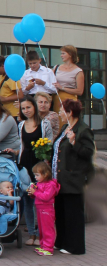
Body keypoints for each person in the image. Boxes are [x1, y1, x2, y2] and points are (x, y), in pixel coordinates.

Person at [3, 97, 53, 246]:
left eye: (28, 107)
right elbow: (22, 146)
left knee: (40, 202)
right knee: (27, 200)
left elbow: (50, 144)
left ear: (35, 107)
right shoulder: (22, 124)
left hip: (39, 167)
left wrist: (46, 156)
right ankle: (31, 234)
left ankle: (40, 234)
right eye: (23, 108)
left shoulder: (45, 124)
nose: (26, 111)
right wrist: (15, 151)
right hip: (25, 166)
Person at [53, 99, 95, 255]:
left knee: (73, 214)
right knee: (62, 212)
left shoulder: (83, 130)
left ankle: (75, 246)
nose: (59, 114)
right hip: (61, 178)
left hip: (74, 178)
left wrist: (74, 142)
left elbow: (88, 153)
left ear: (70, 113)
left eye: (62, 111)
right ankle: (62, 241)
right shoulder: (65, 127)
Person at [29, 161, 60, 256]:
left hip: (47, 210)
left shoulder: (50, 184)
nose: (35, 177)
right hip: (39, 209)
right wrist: (32, 194)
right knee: (42, 229)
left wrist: (35, 192)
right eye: (35, 175)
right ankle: (43, 245)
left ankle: (48, 248)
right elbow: (38, 195)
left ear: (45, 174)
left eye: (37, 175)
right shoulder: (39, 183)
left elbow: (46, 197)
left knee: (47, 229)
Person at [53, 45, 84, 111]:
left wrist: (62, 88)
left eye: (63, 53)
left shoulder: (78, 71)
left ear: (70, 54)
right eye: (61, 53)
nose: (61, 56)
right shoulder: (56, 67)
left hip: (70, 102)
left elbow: (80, 91)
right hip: (56, 100)